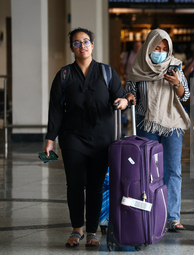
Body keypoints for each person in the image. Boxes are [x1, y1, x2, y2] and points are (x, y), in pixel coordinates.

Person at [43, 28, 129, 247]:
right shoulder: (64, 75)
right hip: (72, 137)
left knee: (95, 185)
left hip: (102, 138)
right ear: (71, 47)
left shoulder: (106, 72)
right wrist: (50, 139)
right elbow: (54, 109)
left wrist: (123, 102)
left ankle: (92, 231)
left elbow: (120, 96)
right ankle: (76, 229)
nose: (82, 46)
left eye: (86, 41)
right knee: (74, 184)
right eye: (77, 43)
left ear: (92, 44)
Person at [125, 29, 190, 231]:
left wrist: (177, 83)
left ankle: (172, 217)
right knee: (148, 170)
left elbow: (185, 95)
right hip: (146, 122)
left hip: (172, 123)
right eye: (156, 48)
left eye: (164, 48)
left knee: (173, 170)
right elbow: (130, 92)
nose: (160, 52)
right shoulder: (138, 67)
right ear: (148, 47)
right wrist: (129, 98)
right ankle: (151, 212)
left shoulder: (175, 65)